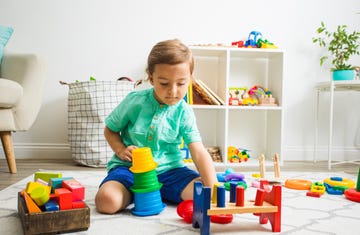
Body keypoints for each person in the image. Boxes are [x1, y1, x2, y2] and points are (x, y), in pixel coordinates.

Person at [95, 39, 218, 214]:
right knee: (106, 202)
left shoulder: (184, 112)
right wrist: (120, 149)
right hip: (130, 170)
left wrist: (212, 188)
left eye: (181, 83)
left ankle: (159, 190)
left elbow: (198, 151)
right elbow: (110, 129)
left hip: (170, 171)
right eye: (164, 83)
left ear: (190, 79)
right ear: (151, 78)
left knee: (204, 194)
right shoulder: (134, 101)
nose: (173, 91)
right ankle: (135, 192)